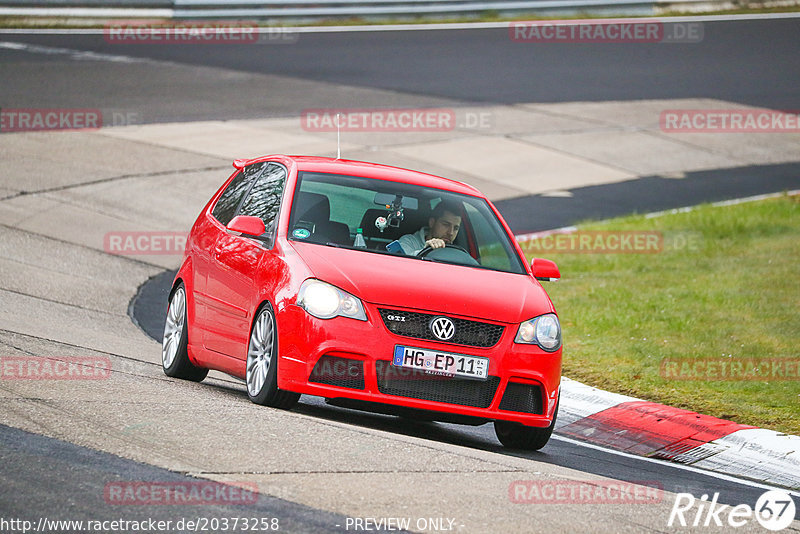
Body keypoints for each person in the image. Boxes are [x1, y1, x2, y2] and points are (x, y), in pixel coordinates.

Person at [397, 200, 461, 255]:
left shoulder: (458, 253)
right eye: (446, 225)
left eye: (455, 228)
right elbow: (402, 264)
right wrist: (427, 250)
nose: (451, 233)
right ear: (432, 223)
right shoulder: (409, 241)